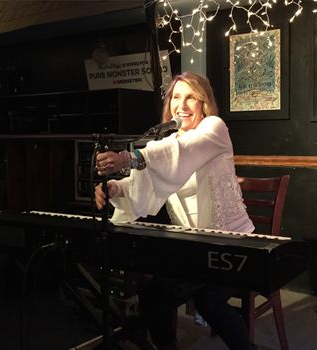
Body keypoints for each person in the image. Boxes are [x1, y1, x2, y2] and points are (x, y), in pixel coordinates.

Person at [95, 71, 257, 350]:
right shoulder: (167, 141)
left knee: (209, 302)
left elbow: (180, 152)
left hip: (233, 245)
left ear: (204, 103)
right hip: (194, 247)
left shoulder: (214, 128)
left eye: (191, 97)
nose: (182, 105)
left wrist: (126, 158)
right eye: (176, 97)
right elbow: (149, 179)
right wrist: (115, 188)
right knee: (154, 288)